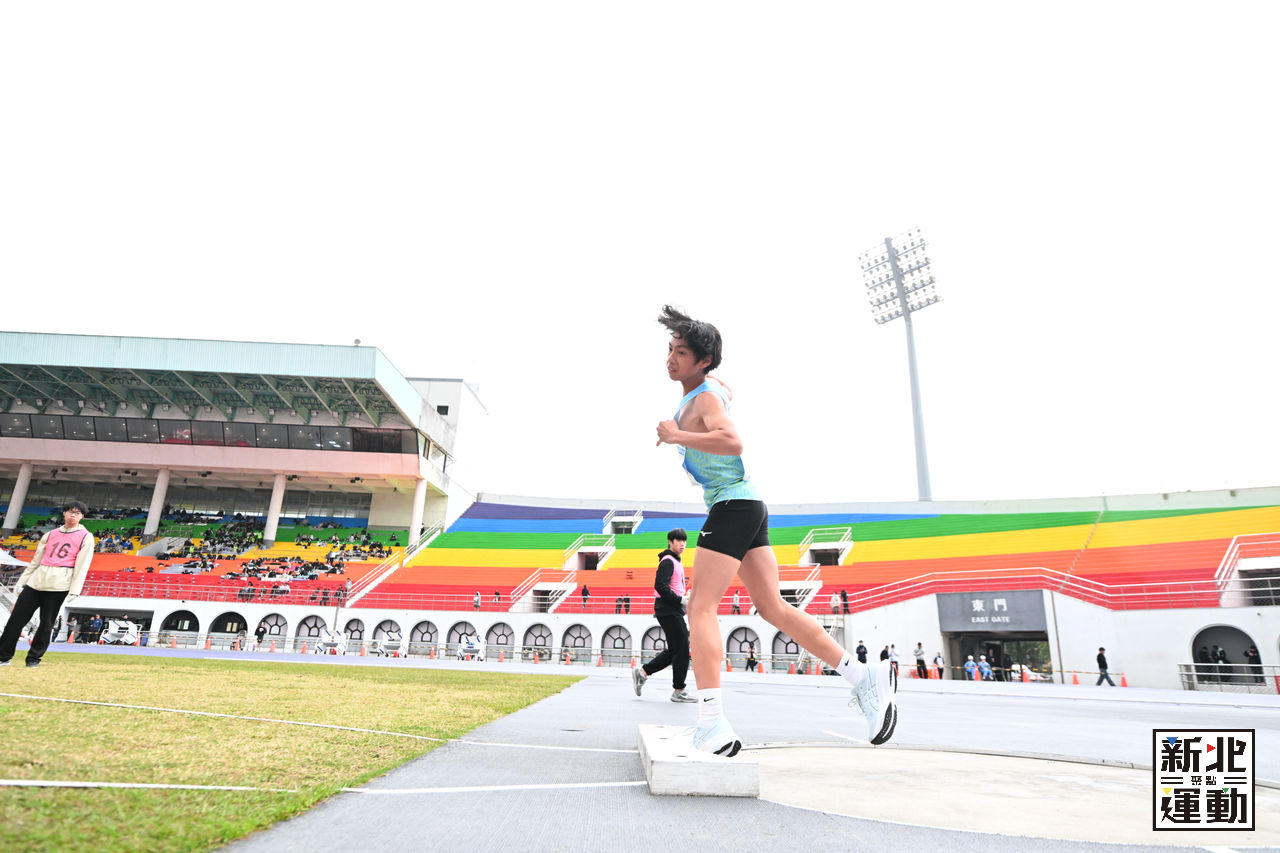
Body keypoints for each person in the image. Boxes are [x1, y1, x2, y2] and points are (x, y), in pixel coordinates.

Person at [654, 306, 897, 756]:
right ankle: (862, 676)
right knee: (773, 608)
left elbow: (733, 442)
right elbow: (722, 393)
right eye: (670, 348)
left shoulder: (704, 400)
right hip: (747, 506)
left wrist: (677, 436)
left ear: (703, 360)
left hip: (732, 507)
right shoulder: (704, 392)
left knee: (700, 607)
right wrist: (708, 387)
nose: (670, 358)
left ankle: (711, 723)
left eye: (681, 352)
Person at [0, 501, 95, 668]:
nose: (73, 515)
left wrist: (75, 589)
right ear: (64, 513)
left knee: (46, 624)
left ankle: (33, 659)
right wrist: (22, 581)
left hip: (59, 584)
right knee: (16, 620)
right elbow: (36, 560)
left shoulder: (86, 536)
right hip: (37, 581)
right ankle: (3, 656)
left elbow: (82, 565)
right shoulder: (50, 534)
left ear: (82, 516)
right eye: (70, 511)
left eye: (77, 513)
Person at [631, 529, 697, 703]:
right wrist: (679, 599)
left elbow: (672, 586)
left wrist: (683, 597)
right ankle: (678, 690)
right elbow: (660, 585)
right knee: (682, 649)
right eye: (679, 541)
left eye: (684, 541)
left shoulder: (675, 560)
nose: (682, 544)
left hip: (671, 609)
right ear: (670, 541)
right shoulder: (668, 561)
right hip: (668, 610)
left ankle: (643, 673)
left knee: (675, 649)